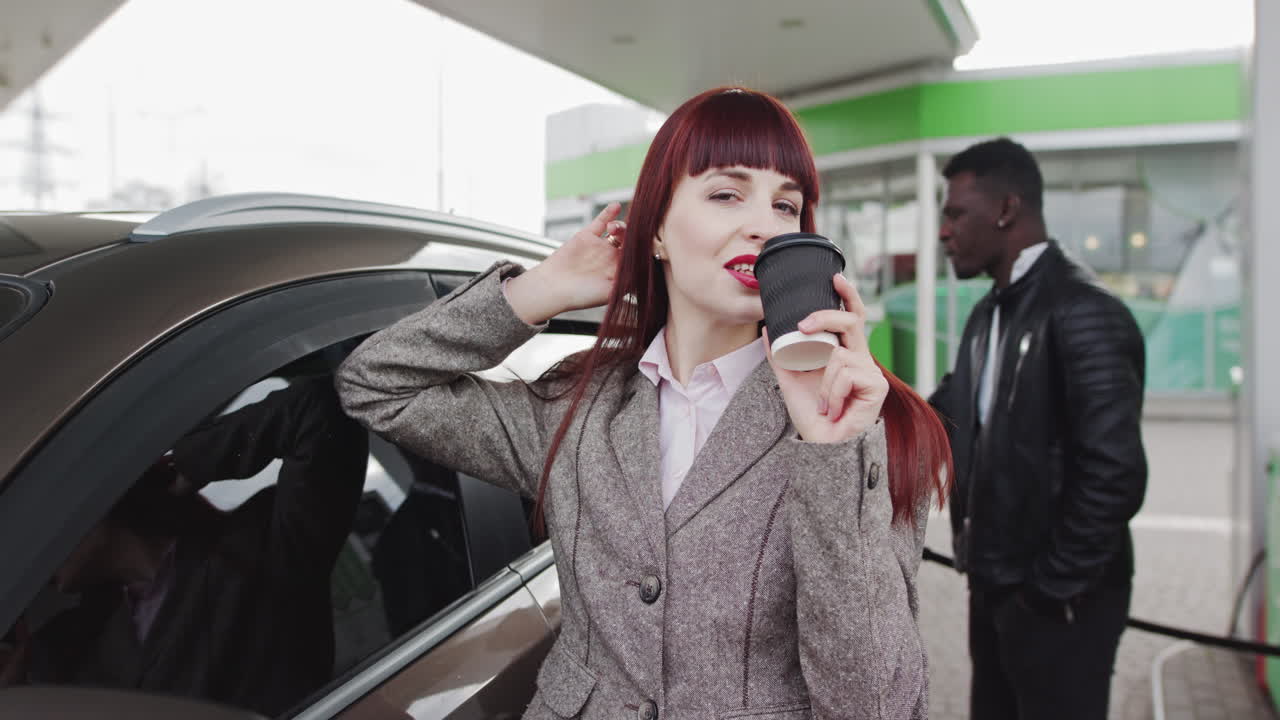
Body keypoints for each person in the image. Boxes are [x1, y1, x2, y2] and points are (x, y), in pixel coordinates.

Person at [336, 87, 951, 720]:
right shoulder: (575, 406)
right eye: (726, 194)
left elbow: (877, 706)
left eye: (785, 205)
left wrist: (832, 455)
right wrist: (540, 289)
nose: (764, 226)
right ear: (656, 230)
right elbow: (375, 385)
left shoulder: (866, 426)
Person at [928, 138, 1148, 720]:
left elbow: (1115, 476)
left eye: (956, 214)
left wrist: (1047, 592)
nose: (944, 232)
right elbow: (946, 414)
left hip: (1058, 606)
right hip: (996, 589)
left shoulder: (1084, 311)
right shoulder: (987, 313)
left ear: (1006, 209)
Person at [3, 378, 367, 717]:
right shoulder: (68, 645)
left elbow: (323, 409)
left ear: (89, 499)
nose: (27, 559)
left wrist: (190, 463)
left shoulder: (258, 548)